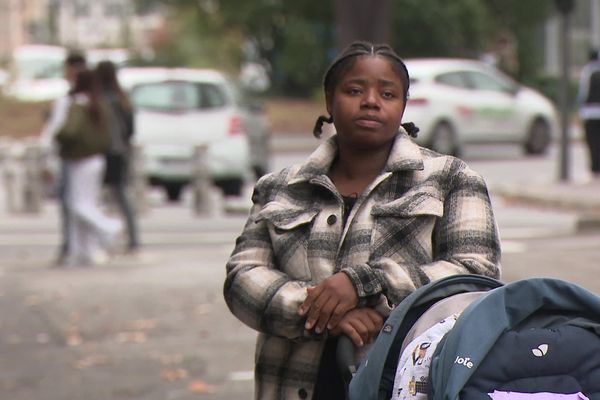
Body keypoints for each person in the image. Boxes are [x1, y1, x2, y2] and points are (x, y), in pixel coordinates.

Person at [223, 41, 501, 400]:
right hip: (292, 383)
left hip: (406, 384)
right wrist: (324, 312)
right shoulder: (280, 187)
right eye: (354, 90)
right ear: (329, 101)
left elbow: (476, 276)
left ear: (402, 106)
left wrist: (364, 282)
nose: (371, 101)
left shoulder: (452, 179)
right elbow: (242, 279)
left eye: (388, 93)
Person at [55, 69, 123, 267]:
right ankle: (86, 251)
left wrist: (59, 140)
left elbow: (68, 131)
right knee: (88, 202)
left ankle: (108, 227)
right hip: (97, 158)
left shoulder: (78, 104)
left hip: (79, 159)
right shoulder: (100, 103)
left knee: (78, 204)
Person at [39, 51, 87, 265]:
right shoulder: (87, 97)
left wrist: (47, 157)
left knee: (73, 203)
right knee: (77, 202)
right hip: (85, 156)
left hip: (73, 155)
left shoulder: (72, 99)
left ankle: (73, 246)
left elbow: (55, 130)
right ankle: (78, 246)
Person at [95, 60, 139, 252]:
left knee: (99, 197)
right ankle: (133, 236)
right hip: (121, 151)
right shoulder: (122, 98)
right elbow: (131, 128)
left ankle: (104, 236)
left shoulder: (99, 98)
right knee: (121, 195)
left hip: (103, 150)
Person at [577, 48, 600, 179]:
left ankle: (594, 167)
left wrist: (580, 109)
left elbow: (583, 93)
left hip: (589, 113)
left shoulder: (587, 71)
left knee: (592, 141)